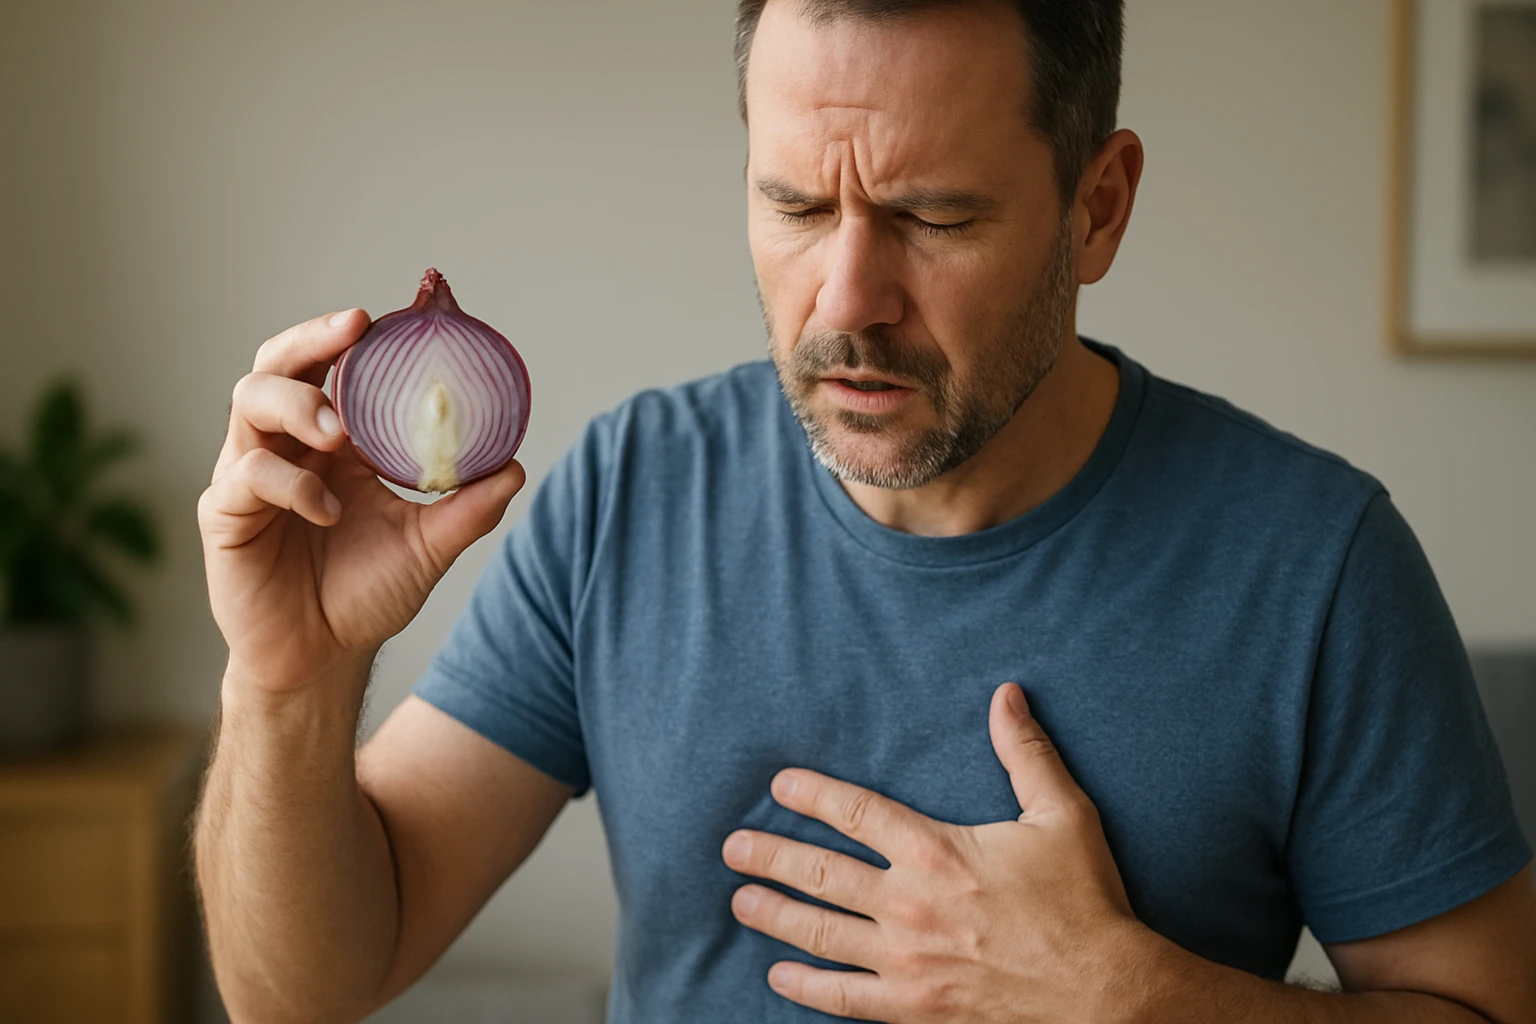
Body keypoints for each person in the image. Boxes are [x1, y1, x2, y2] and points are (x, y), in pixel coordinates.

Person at [193, 1, 1536, 1021]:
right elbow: (302, 987)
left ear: (1099, 207)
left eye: (934, 218)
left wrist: (1139, 999)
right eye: (792, 204)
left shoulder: (1317, 565)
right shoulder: (628, 492)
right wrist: (291, 679)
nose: (844, 303)